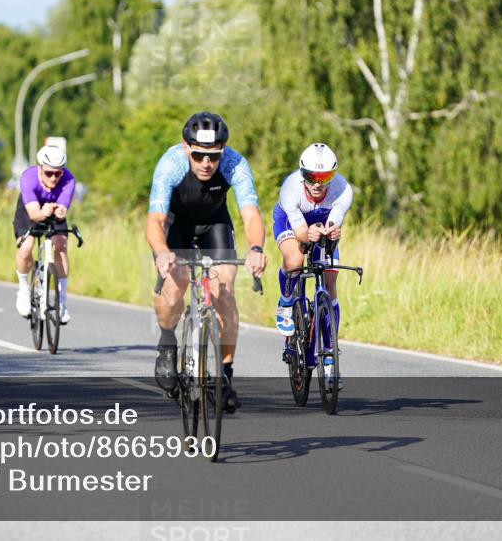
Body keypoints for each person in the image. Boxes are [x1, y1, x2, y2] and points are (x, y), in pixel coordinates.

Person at [146, 112, 267, 411]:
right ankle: (166, 342)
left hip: (215, 224)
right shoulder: (171, 164)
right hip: (176, 226)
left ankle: (224, 376)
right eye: (198, 155)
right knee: (174, 289)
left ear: (223, 150)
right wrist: (163, 253)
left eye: (213, 156)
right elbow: (155, 219)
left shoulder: (234, 164)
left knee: (224, 290)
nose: (205, 163)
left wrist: (255, 248)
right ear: (186, 148)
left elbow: (250, 214)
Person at [273, 143, 353, 388]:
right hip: (291, 222)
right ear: (302, 174)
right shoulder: (290, 189)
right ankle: (287, 301)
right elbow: (300, 233)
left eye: (324, 177)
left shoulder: (342, 189)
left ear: (334, 175)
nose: (317, 184)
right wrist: (310, 233)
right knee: (296, 261)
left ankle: (329, 356)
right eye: (311, 177)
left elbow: (334, 223)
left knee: (330, 280)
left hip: (320, 225)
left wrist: (332, 230)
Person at [13, 145, 76, 324]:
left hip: (53, 209)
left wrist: (61, 211)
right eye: (49, 173)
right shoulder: (28, 178)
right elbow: (34, 215)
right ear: (40, 168)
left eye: (58, 174)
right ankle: (24, 290)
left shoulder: (69, 180)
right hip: (30, 209)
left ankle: (61, 302)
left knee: (61, 246)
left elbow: (63, 208)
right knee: (26, 247)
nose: (54, 178)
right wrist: (43, 213)